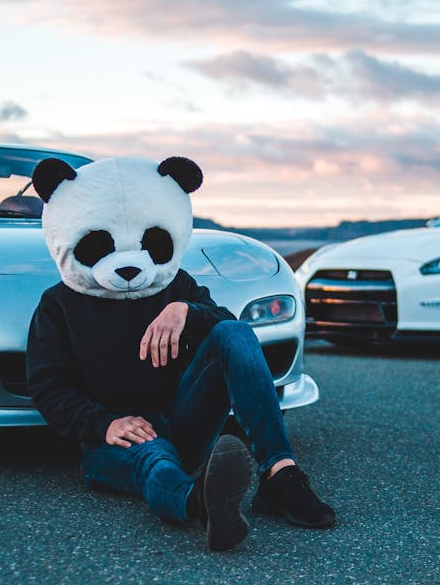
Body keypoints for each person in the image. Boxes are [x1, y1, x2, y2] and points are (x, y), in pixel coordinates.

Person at [25, 155, 334, 551]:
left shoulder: (176, 285)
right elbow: (47, 386)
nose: (128, 263)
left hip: (182, 419)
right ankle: (199, 503)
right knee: (155, 459)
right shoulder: (58, 304)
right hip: (115, 437)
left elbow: (226, 329)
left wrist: (186, 311)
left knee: (234, 331)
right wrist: (103, 423)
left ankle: (280, 474)